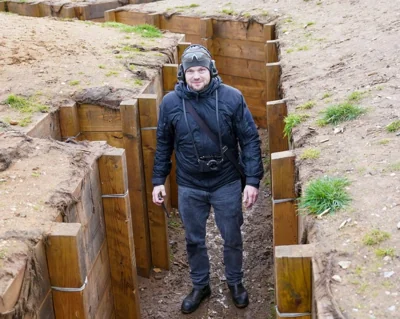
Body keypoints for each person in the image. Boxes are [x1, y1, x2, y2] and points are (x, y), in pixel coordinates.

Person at [151, 44, 264, 314]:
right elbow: (163, 144)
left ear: (211, 71)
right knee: (194, 239)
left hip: (226, 181)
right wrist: (158, 180)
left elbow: (249, 140)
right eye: (191, 71)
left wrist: (252, 180)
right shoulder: (170, 103)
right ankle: (200, 285)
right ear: (183, 74)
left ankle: (235, 282)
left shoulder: (232, 98)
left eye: (202, 70)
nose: (197, 76)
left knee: (232, 236)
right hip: (190, 184)